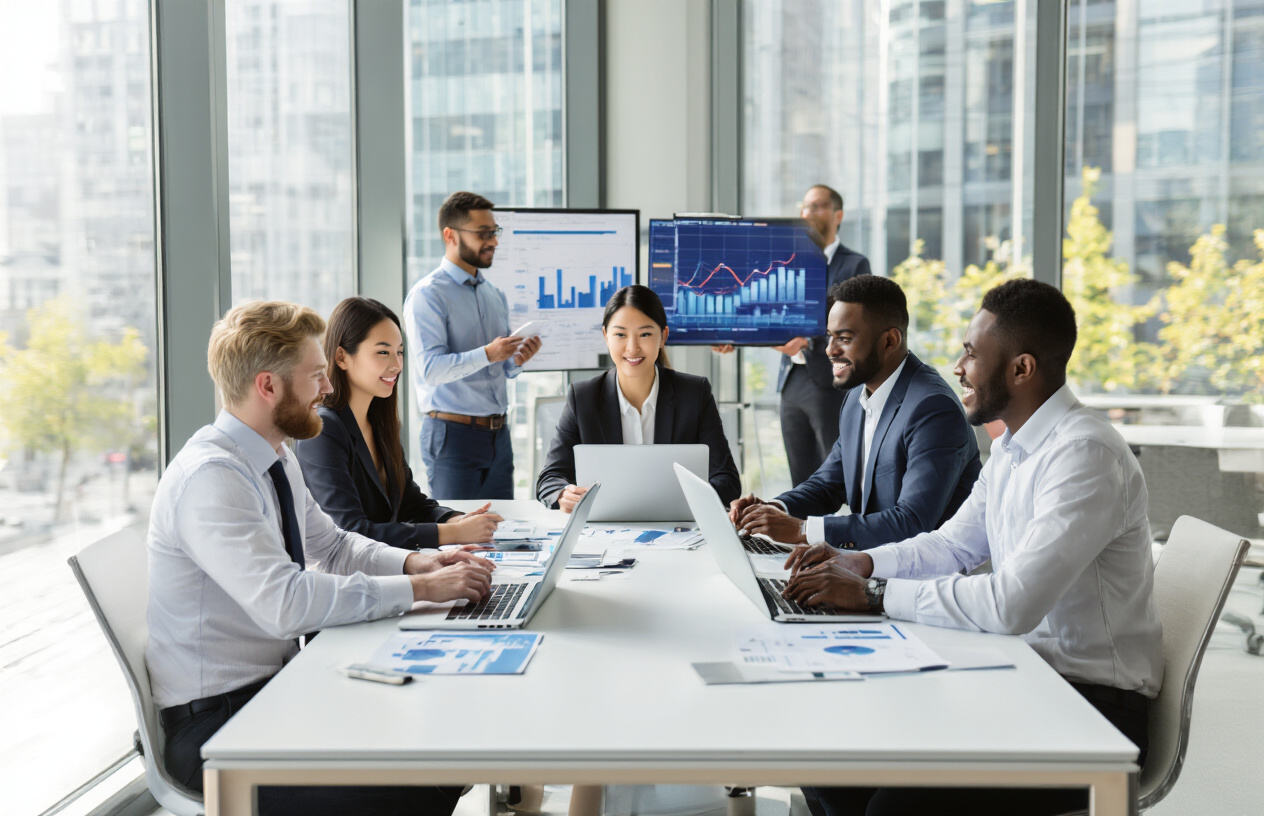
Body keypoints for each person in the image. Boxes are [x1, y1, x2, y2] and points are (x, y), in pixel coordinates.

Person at [782, 279, 1163, 816]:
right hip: (1021, 669)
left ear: (1021, 369)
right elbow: (950, 546)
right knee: (834, 754)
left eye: (970, 354)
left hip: (1091, 707)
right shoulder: (1014, 445)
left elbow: (1011, 605)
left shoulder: (1085, 455)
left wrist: (871, 594)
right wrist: (859, 561)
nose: (957, 368)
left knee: (894, 806)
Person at [147, 301, 494, 815]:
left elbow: (332, 546)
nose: (329, 388)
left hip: (275, 689)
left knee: (439, 738)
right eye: (315, 376)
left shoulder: (274, 454)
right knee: (421, 780)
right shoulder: (212, 477)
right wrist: (420, 591)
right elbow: (286, 603)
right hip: (218, 726)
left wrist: (415, 565)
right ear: (268, 386)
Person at [729, 276, 980, 549]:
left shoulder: (932, 409)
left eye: (844, 338)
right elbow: (828, 484)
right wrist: (774, 508)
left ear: (889, 341)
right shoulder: (855, 400)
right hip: (871, 566)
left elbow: (912, 522)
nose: (829, 350)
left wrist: (802, 530)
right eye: (829, 337)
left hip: (924, 580)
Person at [295, 296, 502, 550]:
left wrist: (456, 519)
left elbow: (410, 503)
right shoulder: (324, 430)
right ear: (342, 357)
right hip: (351, 579)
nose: (396, 365)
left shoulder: (379, 423)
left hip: (390, 568)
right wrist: (451, 533)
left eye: (400, 352)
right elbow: (350, 530)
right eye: (383, 352)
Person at [717, 185, 873, 486]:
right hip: (791, 381)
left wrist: (806, 341)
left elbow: (852, 325)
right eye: (804, 207)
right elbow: (765, 308)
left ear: (837, 215)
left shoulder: (854, 264)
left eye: (818, 206)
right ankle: (803, 533)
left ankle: (844, 533)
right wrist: (732, 335)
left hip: (829, 381)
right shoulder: (787, 262)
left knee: (840, 474)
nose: (808, 213)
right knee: (801, 478)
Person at [536, 284, 741, 512]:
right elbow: (550, 479)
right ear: (606, 336)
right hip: (604, 529)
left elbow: (727, 480)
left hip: (678, 528)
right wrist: (563, 494)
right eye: (620, 334)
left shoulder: (694, 393)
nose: (632, 348)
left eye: (645, 334)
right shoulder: (583, 397)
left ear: (663, 336)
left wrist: (687, 500)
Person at [404, 191, 542, 500]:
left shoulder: (494, 294)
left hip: (498, 437)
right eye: (483, 233)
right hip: (453, 437)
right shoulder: (428, 295)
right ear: (450, 235)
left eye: (494, 232)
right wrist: (488, 353)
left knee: (501, 534)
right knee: (457, 535)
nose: (493, 241)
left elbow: (501, 368)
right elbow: (431, 370)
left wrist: (516, 360)